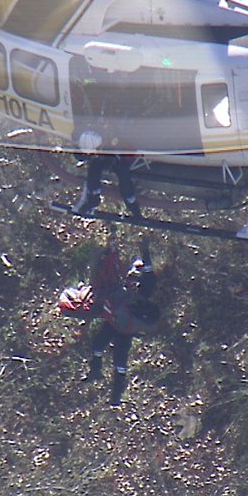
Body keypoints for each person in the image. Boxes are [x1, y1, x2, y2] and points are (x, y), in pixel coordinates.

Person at [83, 240, 159, 406]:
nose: (132, 277)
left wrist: (146, 252)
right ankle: (95, 372)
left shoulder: (145, 288)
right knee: (97, 345)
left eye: (136, 273)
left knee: (120, 361)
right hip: (114, 321)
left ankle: (116, 396)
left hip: (127, 327)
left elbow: (150, 276)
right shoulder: (125, 285)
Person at [71, 130, 142, 218]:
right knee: (94, 169)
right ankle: (93, 199)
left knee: (123, 175)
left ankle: (132, 205)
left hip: (119, 156)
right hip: (107, 156)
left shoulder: (110, 140)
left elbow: (125, 148)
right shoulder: (92, 139)